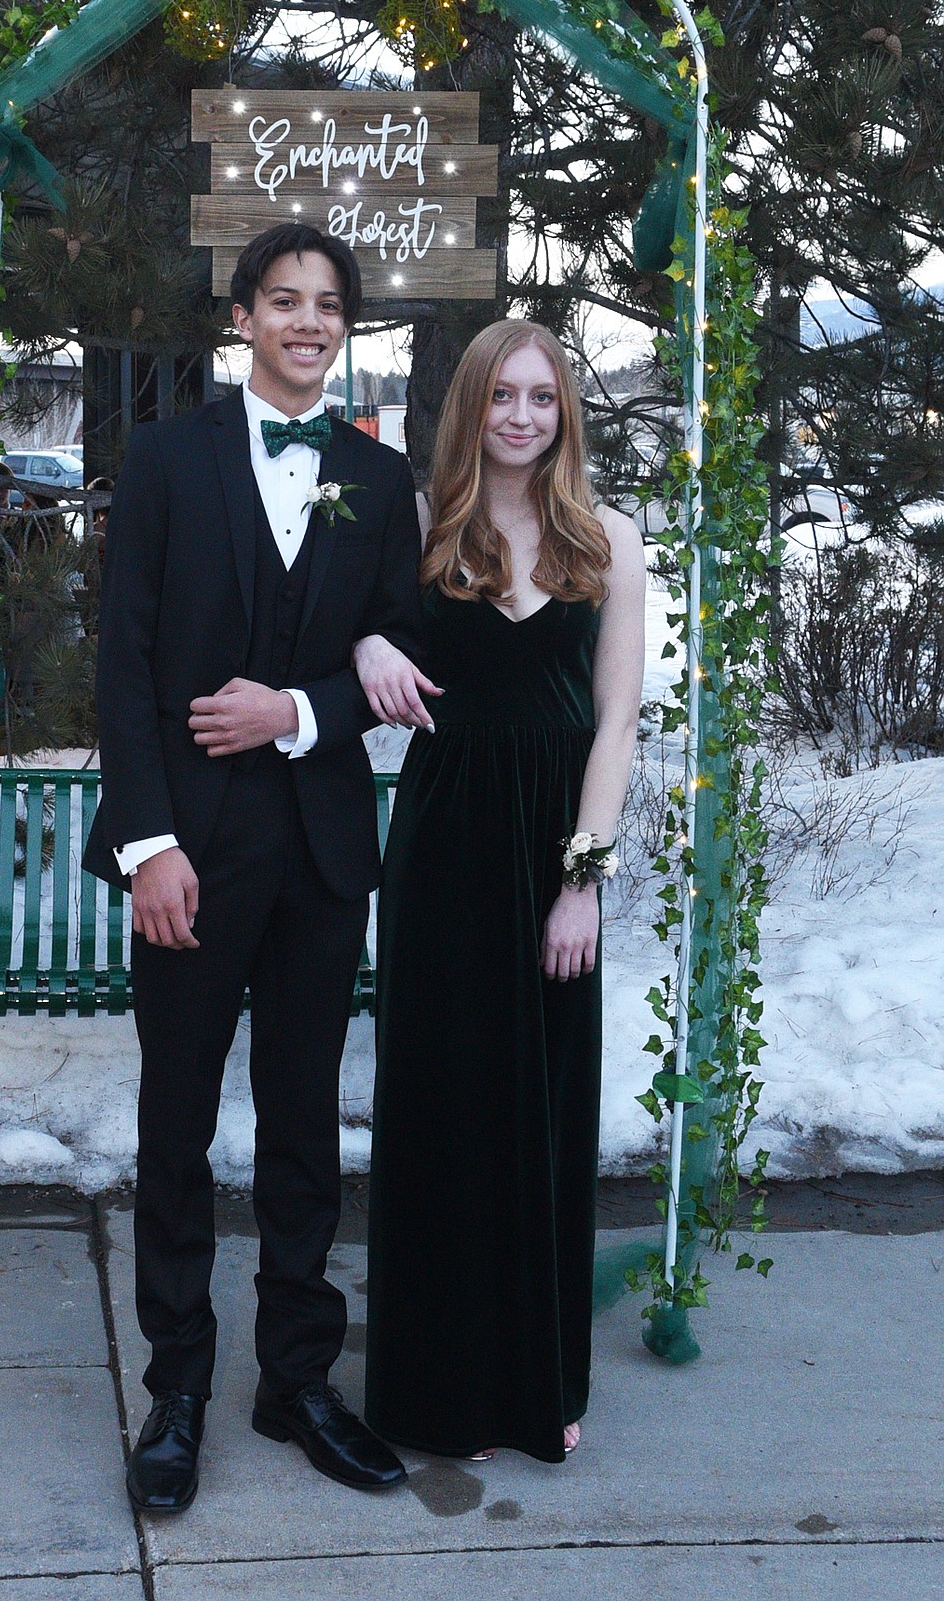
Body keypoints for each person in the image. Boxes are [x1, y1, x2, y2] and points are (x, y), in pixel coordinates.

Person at [82, 223, 423, 1513]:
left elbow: (388, 661)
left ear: (346, 328)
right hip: (193, 857)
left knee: (301, 1126)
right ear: (242, 319)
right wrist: (150, 844)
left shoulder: (381, 484)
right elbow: (125, 665)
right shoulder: (168, 461)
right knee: (174, 1123)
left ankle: (296, 1379)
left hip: (324, 857)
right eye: (283, 301)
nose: (307, 322)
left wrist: (298, 712)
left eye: (328, 305)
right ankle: (177, 1387)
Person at [354, 319, 645, 1465]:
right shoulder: (421, 530)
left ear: (564, 410)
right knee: (443, 1115)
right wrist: (375, 649)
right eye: (501, 397)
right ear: (469, 406)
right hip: (443, 846)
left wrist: (584, 879)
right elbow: (348, 641)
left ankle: (537, 1379)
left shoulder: (608, 539)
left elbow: (615, 721)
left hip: (551, 851)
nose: (522, 416)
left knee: (545, 1111)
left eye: (542, 397)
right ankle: (439, 1391)